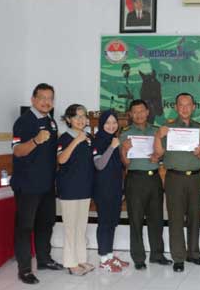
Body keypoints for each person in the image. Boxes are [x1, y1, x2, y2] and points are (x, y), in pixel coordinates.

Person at [11, 83, 63, 284]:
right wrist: (35, 140)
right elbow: (17, 151)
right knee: (25, 227)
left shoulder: (51, 122)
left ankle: (44, 259)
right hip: (27, 185)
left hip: (47, 185)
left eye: (50, 98)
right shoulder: (23, 121)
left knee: (46, 223)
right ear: (33, 99)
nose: (46, 102)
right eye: (42, 98)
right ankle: (24, 269)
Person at [154, 93, 200, 273]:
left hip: (196, 178)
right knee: (175, 219)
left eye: (188, 105)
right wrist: (158, 136)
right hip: (174, 178)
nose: (184, 108)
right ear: (176, 108)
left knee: (195, 217)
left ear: (194, 107)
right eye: (181, 105)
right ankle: (178, 257)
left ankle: (194, 253)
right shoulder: (167, 128)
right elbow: (158, 154)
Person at [120, 99, 171, 270]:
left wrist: (158, 157)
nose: (139, 115)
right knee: (135, 219)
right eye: (135, 112)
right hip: (135, 179)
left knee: (156, 219)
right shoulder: (125, 133)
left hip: (154, 179)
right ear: (130, 114)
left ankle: (157, 254)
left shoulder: (156, 131)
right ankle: (138, 257)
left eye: (142, 111)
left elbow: (163, 154)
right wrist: (124, 150)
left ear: (148, 112)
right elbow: (125, 163)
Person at [56, 104, 94, 276]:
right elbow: (61, 160)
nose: (81, 119)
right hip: (69, 188)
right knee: (70, 227)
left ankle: (81, 259)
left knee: (81, 227)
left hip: (84, 187)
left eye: (83, 116)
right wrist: (76, 141)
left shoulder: (89, 138)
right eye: (77, 116)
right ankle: (70, 263)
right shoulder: (64, 138)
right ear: (68, 119)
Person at [92, 110, 128, 272]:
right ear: (102, 124)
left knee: (112, 222)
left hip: (115, 188)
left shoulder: (115, 140)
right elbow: (99, 164)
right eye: (107, 123)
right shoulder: (98, 140)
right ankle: (103, 258)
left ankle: (110, 255)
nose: (111, 126)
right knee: (104, 222)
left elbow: (119, 167)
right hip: (103, 188)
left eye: (114, 122)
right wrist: (112, 147)